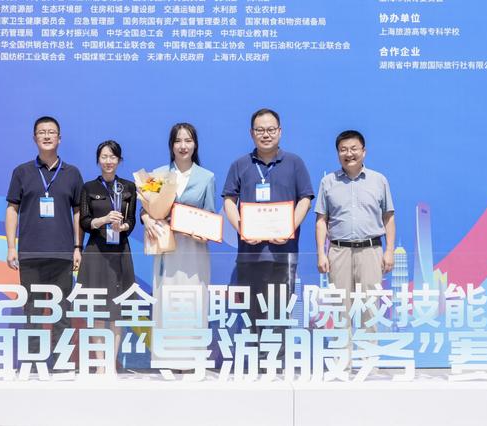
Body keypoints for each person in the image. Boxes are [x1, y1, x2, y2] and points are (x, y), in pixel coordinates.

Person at [222, 108, 314, 355]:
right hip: (249, 254)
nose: (266, 134)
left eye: (271, 129)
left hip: (283, 253)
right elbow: (229, 200)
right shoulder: (240, 165)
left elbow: (305, 199)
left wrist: (289, 227)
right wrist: (242, 228)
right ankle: (255, 360)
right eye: (260, 130)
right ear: (251, 133)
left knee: (280, 310)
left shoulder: (294, 163)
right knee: (252, 311)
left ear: (280, 131)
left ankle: (276, 361)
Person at [5, 116, 84, 370]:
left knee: (62, 311)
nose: (47, 136)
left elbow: (78, 212)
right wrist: (11, 247)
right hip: (30, 254)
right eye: (42, 132)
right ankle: (33, 363)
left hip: (63, 254)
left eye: (51, 132)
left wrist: (77, 247)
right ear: (34, 138)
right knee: (32, 312)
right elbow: (12, 209)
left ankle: (61, 363)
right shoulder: (22, 172)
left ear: (60, 138)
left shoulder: (72, 173)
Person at [315, 129, 396, 363]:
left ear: (364, 151)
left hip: (371, 250)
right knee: (340, 308)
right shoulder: (328, 182)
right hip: (338, 251)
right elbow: (321, 220)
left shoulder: (379, 180)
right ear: (337, 153)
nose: (349, 154)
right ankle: (342, 363)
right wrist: (321, 253)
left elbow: (388, 217)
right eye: (343, 150)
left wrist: (389, 250)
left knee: (370, 308)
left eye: (353, 149)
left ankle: (369, 363)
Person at [141, 123, 215, 361]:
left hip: (194, 250)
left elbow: (210, 216)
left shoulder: (207, 177)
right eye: (178, 141)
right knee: (166, 300)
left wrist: (201, 231)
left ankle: (192, 358)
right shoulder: (158, 174)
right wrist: (146, 219)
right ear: (171, 145)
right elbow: (146, 208)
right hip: (166, 248)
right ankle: (166, 358)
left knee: (193, 300)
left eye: (188, 140)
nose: (183, 146)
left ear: (195, 145)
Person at [77, 140, 136, 374]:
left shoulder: (129, 187)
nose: (108, 161)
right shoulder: (89, 188)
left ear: (119, 160)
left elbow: (131, 221)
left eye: (113, 157)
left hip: (119, 252)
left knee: (116, 310)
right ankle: (100, 363)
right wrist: (103, 220)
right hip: (96, 253)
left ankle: (111, 362)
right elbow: (84, 221)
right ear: (98, 160)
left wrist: (123, 227)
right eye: (104, 156)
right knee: (97, 309)